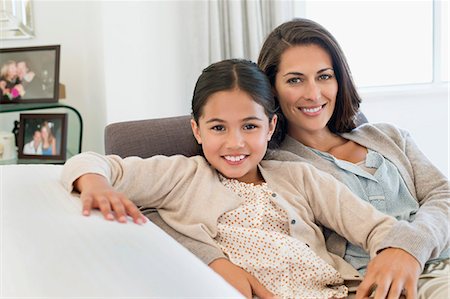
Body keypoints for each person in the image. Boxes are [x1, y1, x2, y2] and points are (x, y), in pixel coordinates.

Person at [62, 59, 401, 299]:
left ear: (270, 127)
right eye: (218, 128)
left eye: (249, 126)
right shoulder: (182, 174)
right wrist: (96, 183)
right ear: (197, 129)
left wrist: (390, 256)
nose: (235, 143)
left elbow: (375, 226)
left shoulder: (298, 175)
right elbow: (90, 161)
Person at [257, 18, 449, 299]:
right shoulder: (280, 169)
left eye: (324, 76)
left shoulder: (388, 136)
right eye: (295, 80)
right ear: (271, 88)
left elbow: (443, 196)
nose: (313, 94)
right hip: (387, 286)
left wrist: (409, 248)